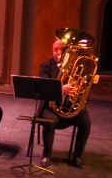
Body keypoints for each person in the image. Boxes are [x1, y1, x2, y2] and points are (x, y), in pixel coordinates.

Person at [38, 38, 92, 168]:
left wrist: (82, 86)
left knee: (85, 121)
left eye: (60, 50)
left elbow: (82, 84)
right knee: (50, 121)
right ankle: (46, 155)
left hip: (69, 106)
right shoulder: (45, 66)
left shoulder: (75, 66)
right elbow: (44, 85)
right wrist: (61, 88)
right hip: (50, 106)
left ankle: (77, 156)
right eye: (55, 50)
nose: (57, 53)